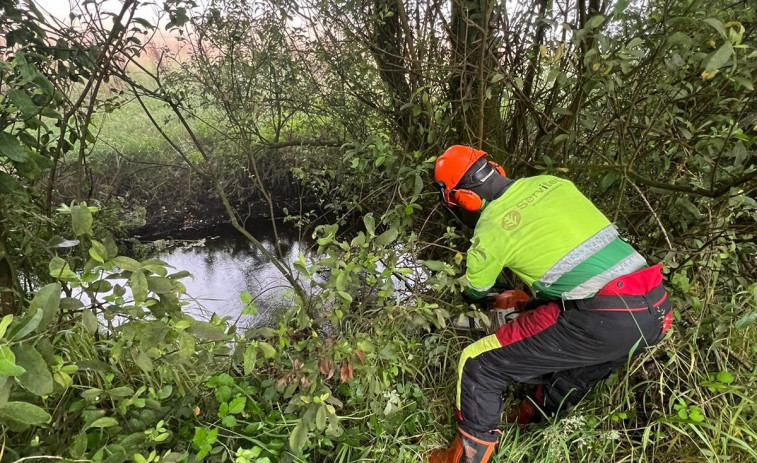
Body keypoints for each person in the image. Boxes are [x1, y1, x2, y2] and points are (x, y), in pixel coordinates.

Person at [428, 145, 673, 463]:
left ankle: (465, 458)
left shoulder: (489, 229)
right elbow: (572, 256)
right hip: (655, 310)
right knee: (578, 370)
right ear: (496, 168)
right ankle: (531, 419)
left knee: (477, 363)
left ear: (464, 198)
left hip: (603, 316)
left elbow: (475, 290)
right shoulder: (554, 183)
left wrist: (484, 293)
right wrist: (531, 302)